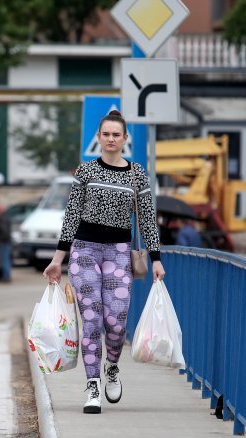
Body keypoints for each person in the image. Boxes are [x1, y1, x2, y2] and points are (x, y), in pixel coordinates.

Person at [43, 110, 165, 415]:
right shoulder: (85, 172)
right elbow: (71, 216)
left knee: (115, 323)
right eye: (106, 134)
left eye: (116, 135)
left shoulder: (137, 174)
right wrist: (58, 259)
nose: (111, 139)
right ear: (98, 138)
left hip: (118, 253)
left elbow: (148, 219)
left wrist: (157, 258)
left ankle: (112, 366)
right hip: (84, 251)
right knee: (93, 320)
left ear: (125, 139)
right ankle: (93, 385)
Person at [0, 203, 12, 282]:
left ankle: (6, 277)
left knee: (5, 260)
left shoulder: (1, 219)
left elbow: (4, 232)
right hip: (6, 242)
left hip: (4, 242)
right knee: (5, 259)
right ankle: (5, 276)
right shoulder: (5, 218)